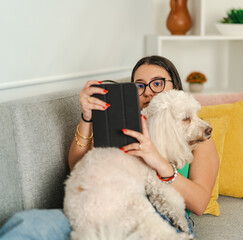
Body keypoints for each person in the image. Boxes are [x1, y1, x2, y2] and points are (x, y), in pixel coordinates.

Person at [0, 55, 219, 239]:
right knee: (27, 225)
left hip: (160, 218)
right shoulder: (123, 126)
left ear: (175, 87)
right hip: (100, 206)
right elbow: (77, 168)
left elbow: (199, 204)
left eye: (158, 82)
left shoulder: (199, 136)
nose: (148, 92)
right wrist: (87, 118)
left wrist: (159, 162)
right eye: (140, 85)